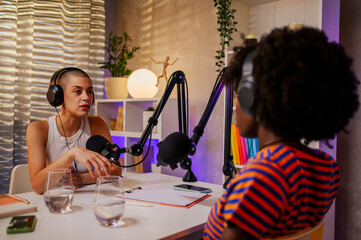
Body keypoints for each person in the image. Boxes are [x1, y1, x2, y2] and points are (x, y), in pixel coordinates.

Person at [204, 27, 359, 239]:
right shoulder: (327, 167)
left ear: (251, 97)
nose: (237, 103)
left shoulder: (264, 175)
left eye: (239, 92)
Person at [27, 68, 122, 194]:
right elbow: (37, 187)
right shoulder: (38, 129)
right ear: (57, 96)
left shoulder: (97, 123)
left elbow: (116, 169)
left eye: (89, 92)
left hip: (87, 199)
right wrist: (72, 153)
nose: (86, 97)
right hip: (55, 200)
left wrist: (82, 179)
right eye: (77, 91)